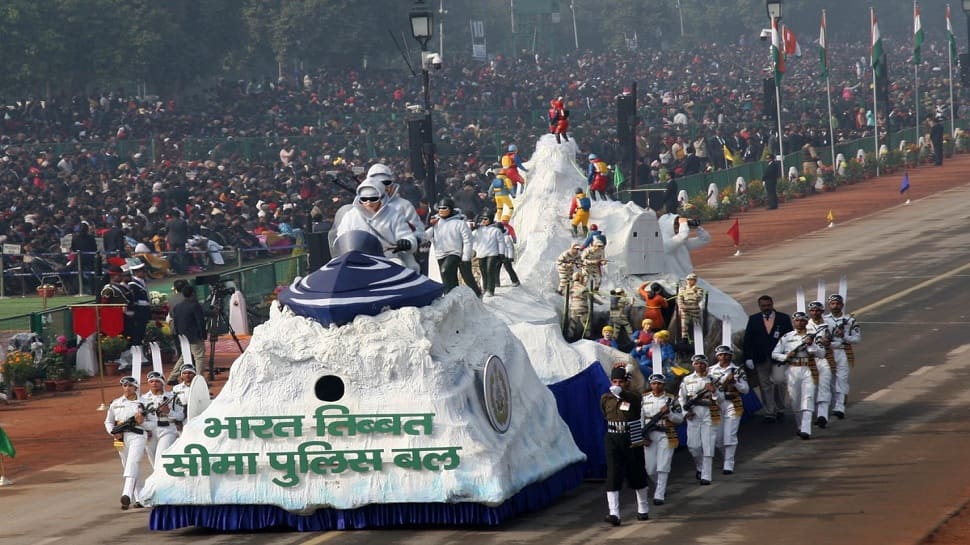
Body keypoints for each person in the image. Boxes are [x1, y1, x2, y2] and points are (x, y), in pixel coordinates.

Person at [600, 366, 651, 526]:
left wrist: (621, 394)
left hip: (631, 436)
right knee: (613, 472)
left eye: (620, 382)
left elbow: (634, 404)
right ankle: (614, 513)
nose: (617, 384)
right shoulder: (606, 398)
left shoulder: (633, 396)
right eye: (614, 381)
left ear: (626, 382)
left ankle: (643, 506)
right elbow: (604, 414)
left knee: (636, 471)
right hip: (613, 436)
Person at [335, 178, 418, 272]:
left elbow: (406, 235)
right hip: (359, 263)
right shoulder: (350, 216)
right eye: (364, 199)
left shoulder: (394, 214)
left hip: (389, 262)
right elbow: (341, 238)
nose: (368, 203)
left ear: (382, 198)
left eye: (373, 199)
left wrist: (407, 242)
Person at [772, 312, 824, 439]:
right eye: (797, 320)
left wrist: (811, 344)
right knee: (795, 401)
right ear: (794, 322)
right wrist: (785, 356)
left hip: (808, 368)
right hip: (792, 369)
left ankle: (806, 429)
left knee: (808, 398)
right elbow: (774, 353)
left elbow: (821, 354)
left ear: (806, 322)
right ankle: (800, 426)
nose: (800, 322)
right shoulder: (787, 337)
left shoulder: (812, 337)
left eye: (802, 320)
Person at [742, 295, 792, 423]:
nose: (766, 308)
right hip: (761, 358)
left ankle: (780, 408)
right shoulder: (754, 319)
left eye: (768, 305)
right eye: (763, 306)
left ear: (772, 304)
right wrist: (748, 357)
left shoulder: (783, 318)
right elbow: (748, 340)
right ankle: (770, 411)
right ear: (760, 306)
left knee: (780, 383)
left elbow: (790, 338)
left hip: (779, 358)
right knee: (765, 386)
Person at [104, 376, 146, 510]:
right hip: (120, 437)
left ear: (136, 388)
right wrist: (113, 431)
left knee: (133, 462)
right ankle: (140, 497)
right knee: (128, 465)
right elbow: (108, 421)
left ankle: (126, 494)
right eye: (125, 386)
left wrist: (142, 422)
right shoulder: (116, 403)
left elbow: (152, 421)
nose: (127, 388)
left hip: (137, 435)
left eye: (130, 386)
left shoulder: (144, 403)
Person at [641, 373, 683, 505]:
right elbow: (640, 418)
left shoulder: (671, 399)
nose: (656, 386)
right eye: (654, 383)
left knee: (663, 465)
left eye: (659, 383)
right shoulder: (644, 399)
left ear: (663, 385)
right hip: (650, 435)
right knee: (650, 468)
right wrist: (643, 436)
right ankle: (660, 486)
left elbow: (680, 418)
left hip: (666, 433)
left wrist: (669, 413)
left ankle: (659, 494)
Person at [678, 354, 720, 485]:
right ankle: (700, 467)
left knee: (707, 445)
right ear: (693, 365)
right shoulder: (687, 380)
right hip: (694, 414)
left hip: (709, 413)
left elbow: (720, 399)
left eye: (702, 363)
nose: (699, 365)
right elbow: (681, 398)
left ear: (706, 365)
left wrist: (714, 392)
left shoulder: (713, 379)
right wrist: (686, 412)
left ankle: (706, 475)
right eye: (697, 363)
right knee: (693, 446)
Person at [425, 197, 480, 296]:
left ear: (450, 209)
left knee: (446, 271)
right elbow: (425, 236)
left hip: (454, 253)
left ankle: (476, 294)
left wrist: (466, 257)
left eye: (444, 208)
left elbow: (468, 240)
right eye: (439, 208)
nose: (441, 211)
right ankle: (453, 297)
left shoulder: (460, 223)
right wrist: (426, 226)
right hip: (440, 254)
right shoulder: (436, 223)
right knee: (448, 277)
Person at [708, 345, 749, 474]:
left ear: (730, 356)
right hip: (716, 404)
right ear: (716, 356)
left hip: (733, 403)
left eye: (726, 354)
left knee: (729, 435)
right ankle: (726, 457)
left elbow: (746, 389)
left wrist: (735, 382)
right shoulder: (710, 370)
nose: (723, 357)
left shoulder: (737, 370)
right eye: (721, 355)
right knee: (718, 439)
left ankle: (729, 463)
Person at [823, 294, 861, 420]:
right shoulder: (824, 320)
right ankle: (835, 403)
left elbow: (856, 339)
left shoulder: (850, 321)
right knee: (830, 381)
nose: (835, 306)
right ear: (829, 305)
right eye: (833, 304)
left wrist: (844, 335)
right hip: (827, 352)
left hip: (842, 351)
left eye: (838, 303)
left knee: (842, 379)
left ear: (842, 305)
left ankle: (839, 407)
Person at [140, 371, 183, 469]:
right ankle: (157, 478)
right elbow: (140, 419)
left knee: (161, 457)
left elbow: (181, 416)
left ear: (162, 383)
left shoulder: (172, 397)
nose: (154, 383)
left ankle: (158, 479)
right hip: (150, 431)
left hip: (168, 429)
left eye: (157, 381)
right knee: (153, 458)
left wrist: (169, 412)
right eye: (151, 381)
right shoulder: (142, 399)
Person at [167, 284, 208, 384]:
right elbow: (200, 321)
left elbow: (175, 321)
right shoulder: (195, 305)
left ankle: (172, 377)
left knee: (184, 356)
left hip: (182, 336)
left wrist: (178, 333)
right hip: (194, 335)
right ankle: (199, 380)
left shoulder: (177, 306)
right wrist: (203, 333)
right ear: (193, 293)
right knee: (199, 357)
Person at [806, 301, 834, 427]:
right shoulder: (804, 325)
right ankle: (807, 416)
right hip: (809, 361)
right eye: (812, 311)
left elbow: (839, 342)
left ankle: (822, 415)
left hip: (824, 359)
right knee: (811, 389)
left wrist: (829, 342)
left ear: (822, 311)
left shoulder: (829, 324)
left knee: (824, 387)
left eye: (817, 310)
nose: (815, 313)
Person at [658, 214, 710, 278]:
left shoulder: (681, 243)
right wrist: (684, 224)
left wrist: (696, 227)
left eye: (678, 224)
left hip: (687, 278)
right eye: (675, 224)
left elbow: (704, 239)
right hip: (672, 281)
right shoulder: (662, 242)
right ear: (666, 225)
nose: (678, 226)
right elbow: (683, 236)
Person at [472, 215, 505, 297]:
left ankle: (490, 289)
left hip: (492, 253)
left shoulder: (496, 231)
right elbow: (472, 240)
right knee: (483, 271)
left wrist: (501, 253)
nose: (483, 221)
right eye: (482, 219)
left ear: (490, 219)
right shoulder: (477, 231)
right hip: (481, 253)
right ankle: (485, 288)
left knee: (490, 270)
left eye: (485, 219)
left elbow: (501, 242)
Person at [126, 261, 152, 348]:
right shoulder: (133, 285)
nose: (144, 273)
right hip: (139, 313)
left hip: (144, 313)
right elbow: (134, 300)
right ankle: (137, 351)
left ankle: (140, 350)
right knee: (138, 333)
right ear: (136, 272)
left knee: (142, 333)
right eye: (142, 271)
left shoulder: (141, 282)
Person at [70, 222, 99, 295]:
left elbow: (73, 249)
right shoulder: (91, 238)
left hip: (79, 258)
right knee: (91, 275)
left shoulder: (75, 238)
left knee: (78, 274)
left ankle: (78, 290)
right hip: (89, 258)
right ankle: (93, 291)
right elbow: (94, 248)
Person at [677, 273, 706, 342]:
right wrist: (682, 306)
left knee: (696, 323)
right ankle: (684, 338)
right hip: (685, 309)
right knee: (684, 324)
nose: (689, 281)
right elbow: (680, 298)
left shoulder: (699, 289)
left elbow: (698, 298)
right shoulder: (682, 289)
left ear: (695, 281)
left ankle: (698, 337)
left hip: (694, 309)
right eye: (688, 280)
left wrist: (692, 290)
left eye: (691, 280)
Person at [493, 221, 520, 288]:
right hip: (498, 255)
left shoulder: (506, 237)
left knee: (508, 268)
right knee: (496, 269)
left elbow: (510, 247)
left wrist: (511, 257)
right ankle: (496, 283)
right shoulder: (496, 238)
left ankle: (515, 281)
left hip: (506, 256)